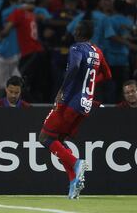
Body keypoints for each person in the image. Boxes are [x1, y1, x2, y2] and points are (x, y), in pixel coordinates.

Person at [39, 20, 111, 199]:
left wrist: (62, 90)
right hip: (85, 104)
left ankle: (76, 163)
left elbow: (75, 66)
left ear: (79, 32)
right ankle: (73, 183)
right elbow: (107, 74)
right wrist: (90, 85)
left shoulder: (76, 48)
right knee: (59, 142)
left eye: (76, 29)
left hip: (70, 101)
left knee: (45, 138)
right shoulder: (97, 51)